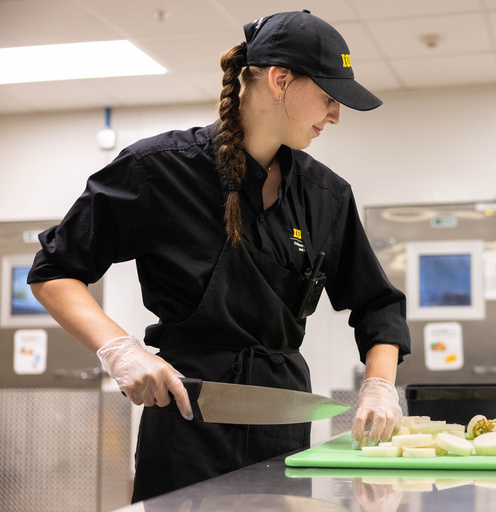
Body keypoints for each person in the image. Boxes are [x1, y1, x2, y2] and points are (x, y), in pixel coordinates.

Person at [27, 10, 410, 502]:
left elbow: (377, 304)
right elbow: (54, 269)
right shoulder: (157, 170)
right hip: (186, 422)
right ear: (280, 80)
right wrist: (120, 350)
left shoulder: (326, 196)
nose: (335, 115)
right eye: (329, 98)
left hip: (282, 421)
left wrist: (379, 385)